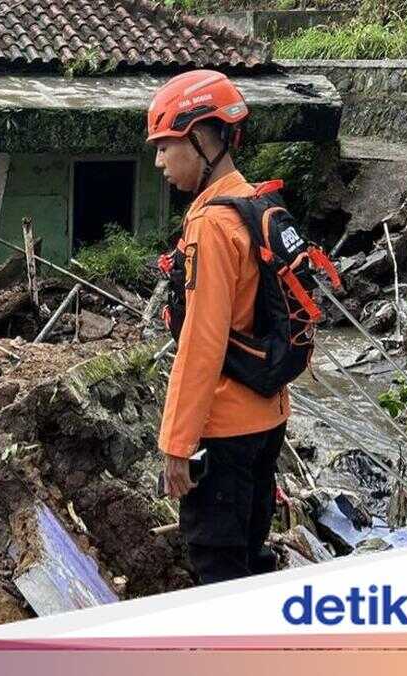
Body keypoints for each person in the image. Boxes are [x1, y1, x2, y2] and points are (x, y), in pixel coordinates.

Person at [147, 70, 289, 584]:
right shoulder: (256, 204)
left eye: (166, 146)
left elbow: (200, 343)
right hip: (269, 418)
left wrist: (176, 443)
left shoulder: (211, 226)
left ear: (203, 138)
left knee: (218, 569)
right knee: (252, 552)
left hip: (225, 432)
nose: (159, 161)